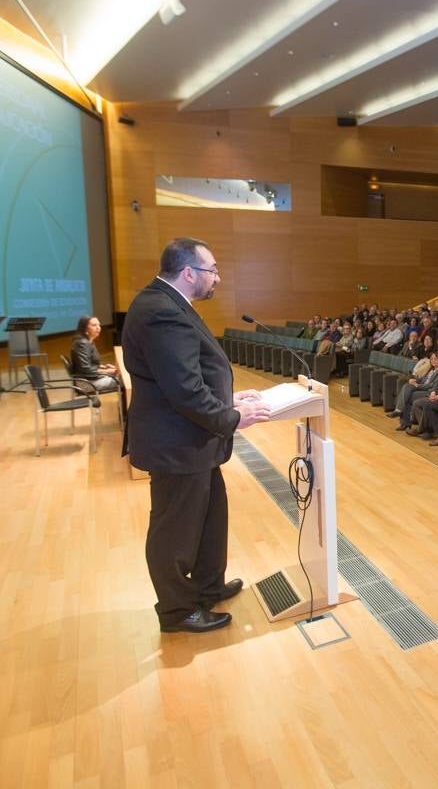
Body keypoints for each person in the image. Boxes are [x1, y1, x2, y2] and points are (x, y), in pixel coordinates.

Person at [123, 238, 272, 634]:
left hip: (191, 441)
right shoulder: (161, 312)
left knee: (209, 517)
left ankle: (207, 586)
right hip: (178, 444)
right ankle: (177, 610)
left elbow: (188, 373)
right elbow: (184, 388)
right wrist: (232, 416)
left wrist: (227, 396)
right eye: (213, 271)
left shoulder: (167, 304)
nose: (217, 278)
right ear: (189, 272)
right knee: (175, 530)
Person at [69, 315, 120, 392]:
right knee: (126, 380)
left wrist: (104, 367)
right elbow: (85, 369)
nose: (98, 328)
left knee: (123, 376)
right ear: (85, 328)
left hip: (91, 379)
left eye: (99, 325)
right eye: (94, 325)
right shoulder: (82, 343)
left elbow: (89, 364)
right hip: (87, 383)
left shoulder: (89, 341)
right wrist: (108, 371)